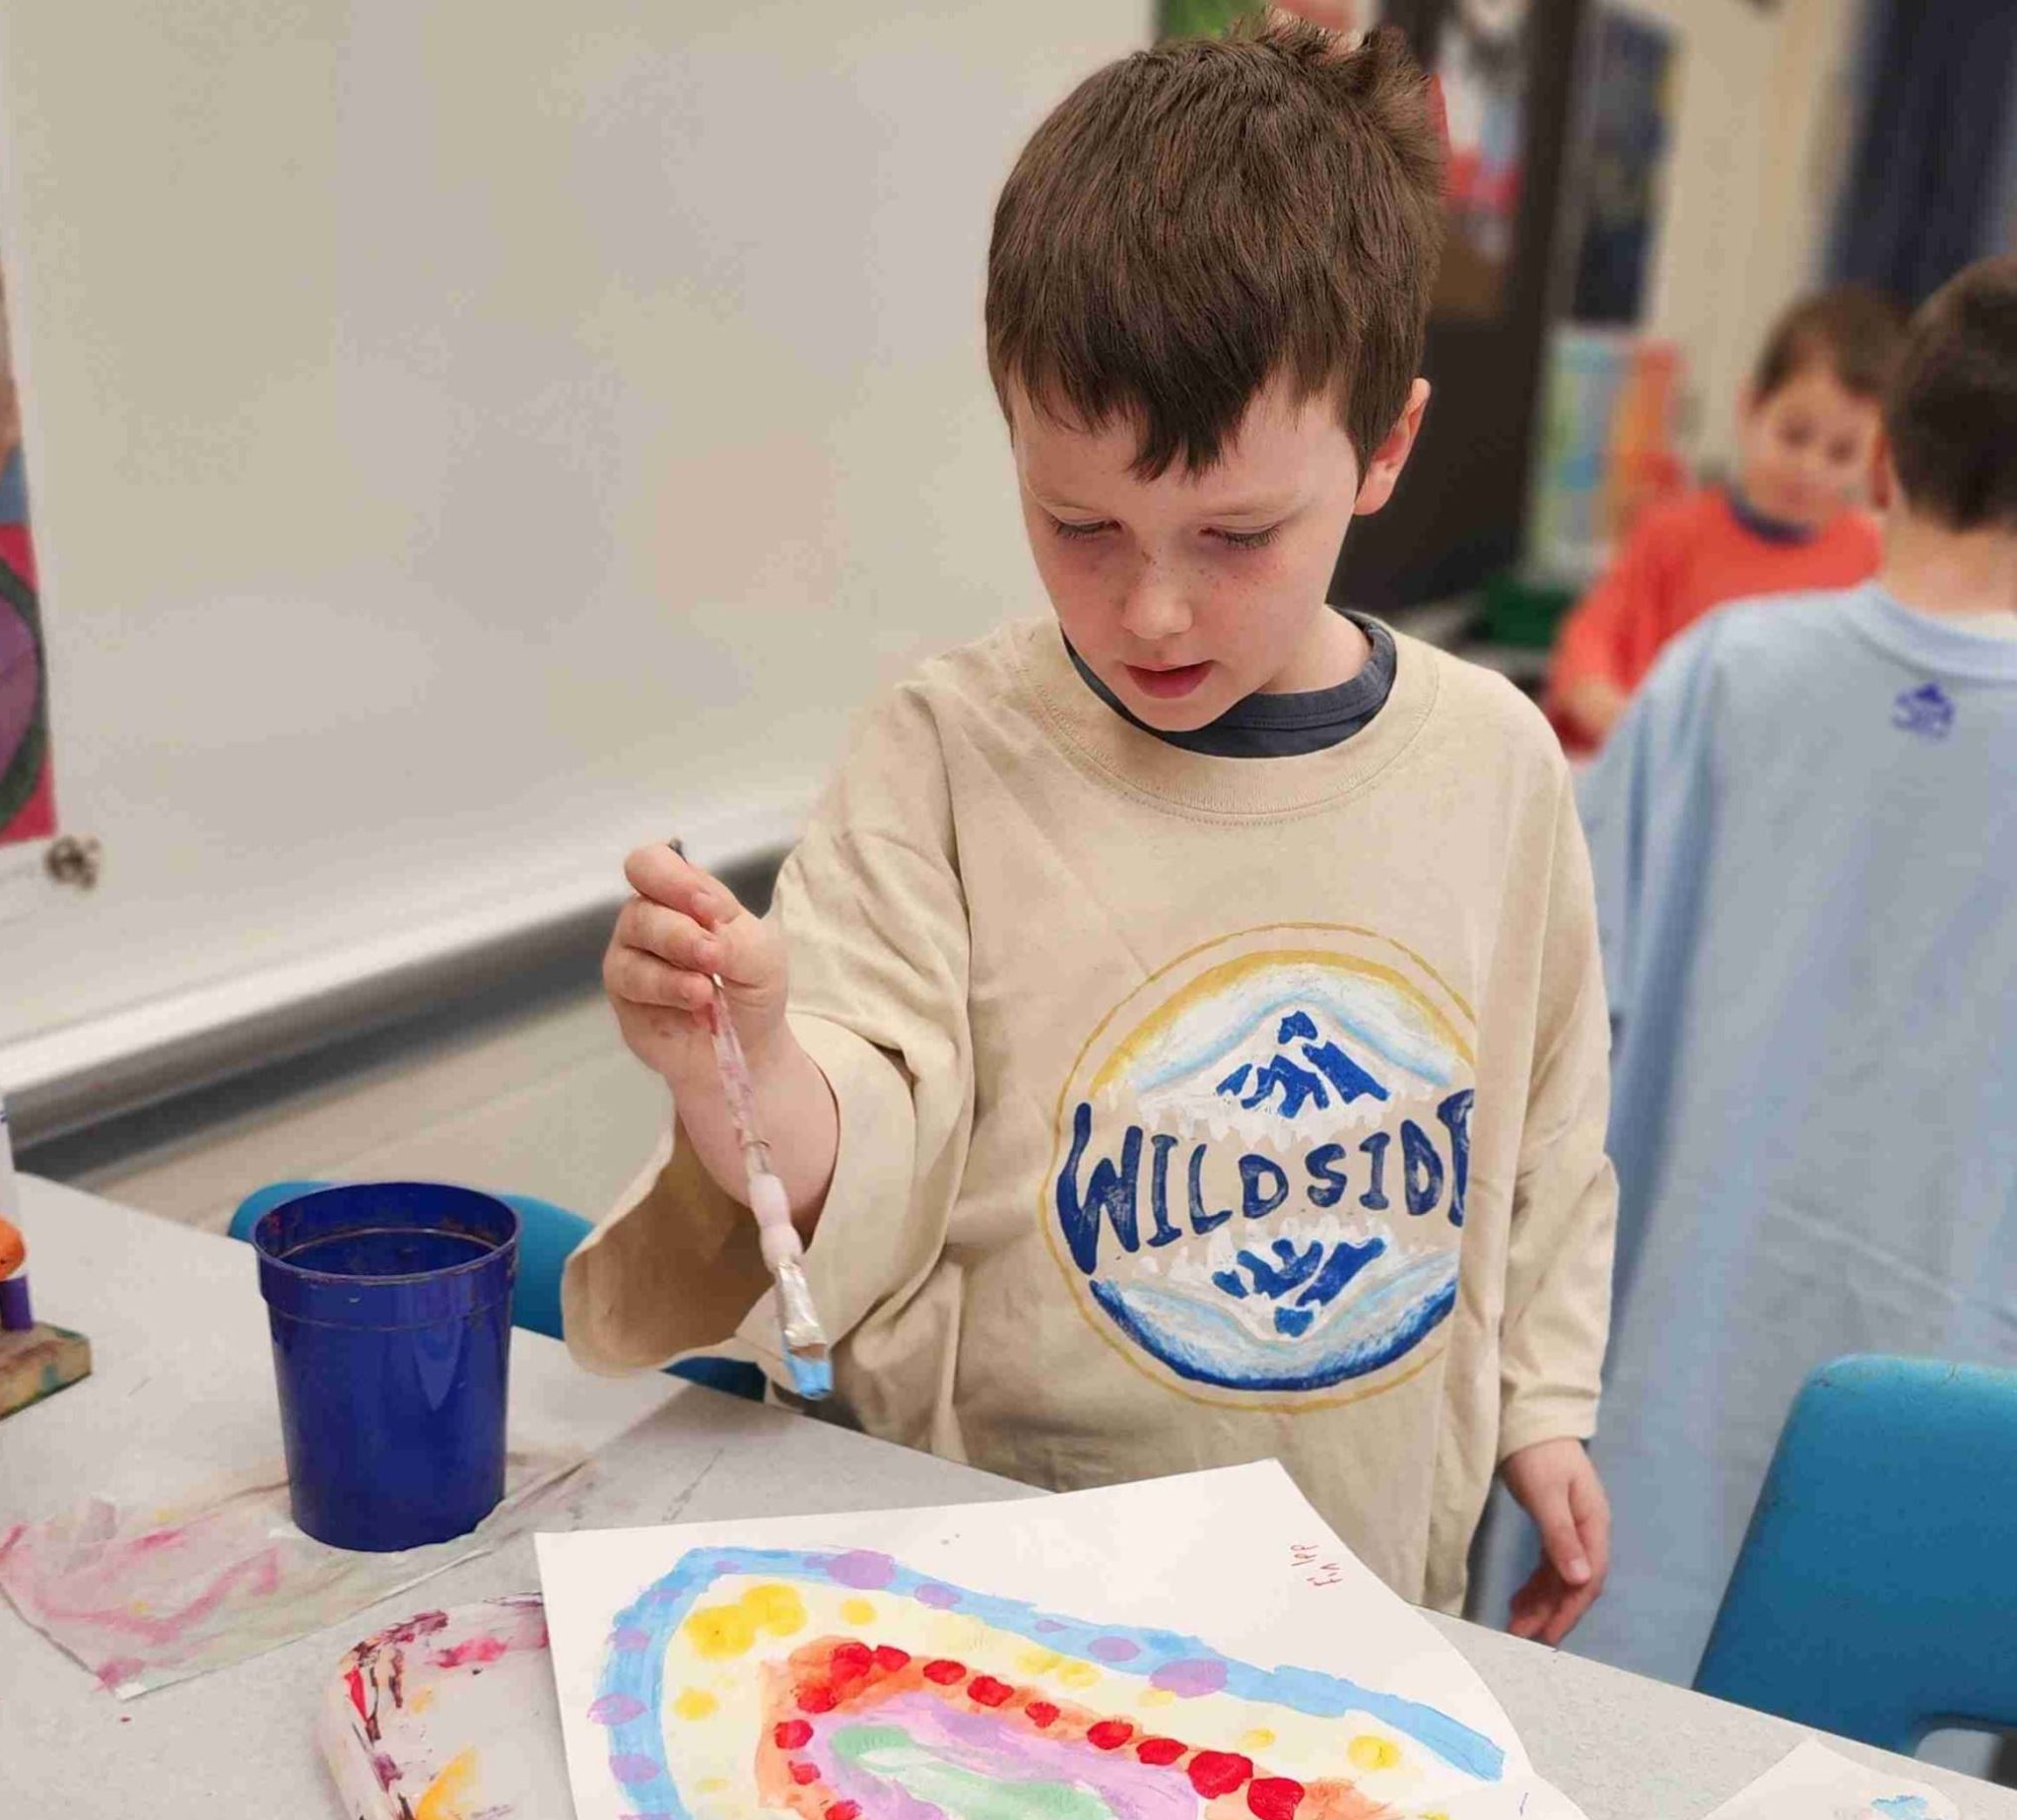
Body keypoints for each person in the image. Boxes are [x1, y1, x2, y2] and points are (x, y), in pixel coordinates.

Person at [571, 23, 1617, 1643]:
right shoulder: (942, 754)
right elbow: (861, 1141)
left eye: (1235, 534)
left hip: (1352, 1596)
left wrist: (1540, 1406)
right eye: (1080, 524)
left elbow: (1545, 1132)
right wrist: (747, 1058)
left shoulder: (1493, 766)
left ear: (1385, 448)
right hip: (999, 1600)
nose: (1151, 609)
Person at [1557, 255, 2017, 1686]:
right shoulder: (1710, 670)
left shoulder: (1715, 679)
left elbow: (1553, 1042)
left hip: (1636, 1449)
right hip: (1948, 1497)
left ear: (1881, 462)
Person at [1547, 286, 1905, 753]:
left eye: (1842, 453)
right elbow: (1586, 652)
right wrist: (1633, 728)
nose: (1811, 467)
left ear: (1876, 458)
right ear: (1751, 408)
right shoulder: (1670, 534)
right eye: (1794, 436)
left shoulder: (1875, 562)